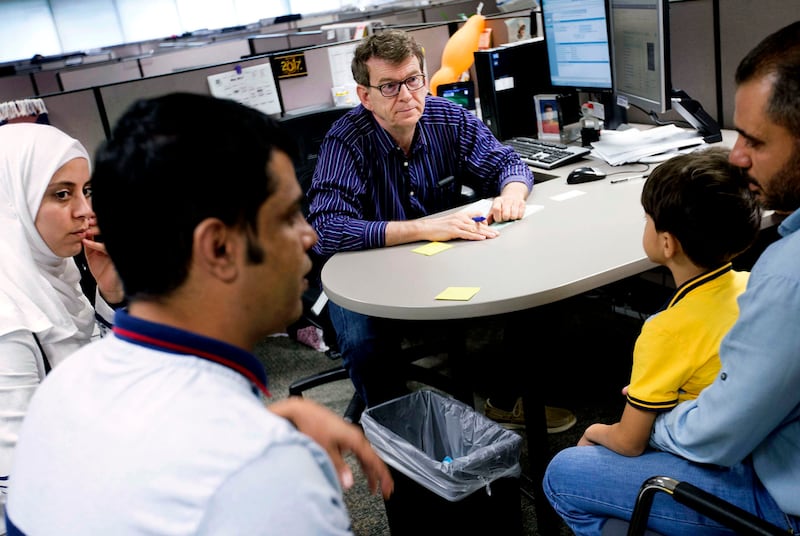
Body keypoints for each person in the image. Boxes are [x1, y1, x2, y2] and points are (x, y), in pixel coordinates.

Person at [6, 92, 392, 534]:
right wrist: (259, 451)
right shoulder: (264, 475)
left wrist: (254, 428)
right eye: (288, 216)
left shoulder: (65, 386)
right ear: (218, 248)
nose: (309, 235)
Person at [543, 21, 800, 535]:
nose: (737, 156)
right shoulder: (753, 281)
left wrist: (650, 423)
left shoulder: (783, 279)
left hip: (779, 496)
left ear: (667, 242)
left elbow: (713, 437)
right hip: (773, 443)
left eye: (753, 139)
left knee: (564, 472)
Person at [306, 28, 575, 432]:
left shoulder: (448, 117)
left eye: (413, 80)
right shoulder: (345, 141)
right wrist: (423, 228)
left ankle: (506, 401)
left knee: (538, 289)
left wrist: (513, 193)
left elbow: (508, 164)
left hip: (437, 259)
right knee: (365, 346)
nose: (407, 95)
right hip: (363, 273)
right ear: (366, 96)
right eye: (389, 86)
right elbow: (328, 230)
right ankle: (399, 438)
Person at [578, 147, 761, 457]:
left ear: (667, 243)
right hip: (750, 431)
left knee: (571, 463)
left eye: (647, 218)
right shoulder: (753, 286)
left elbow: (628, 443)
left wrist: (593, 430)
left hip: (713, 453)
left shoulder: (665, 331)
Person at [0, 123, 125, 534]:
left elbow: (99, 375)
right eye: (61, 194)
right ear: (13, 202)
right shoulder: (9, 323)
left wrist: (111, 296)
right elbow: (16, 482)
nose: (85, 211)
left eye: (85, 191)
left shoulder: (50, 274)